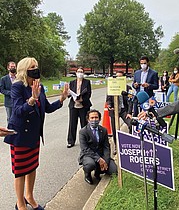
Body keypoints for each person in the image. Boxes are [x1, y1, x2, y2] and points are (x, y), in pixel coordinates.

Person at [4, 57, 68, 210]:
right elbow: (18, 111)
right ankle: (20, 204)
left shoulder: (40, 86)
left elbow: (46, 108)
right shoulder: (17, 87)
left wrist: (61, 99)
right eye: (32, 66)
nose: (36, 68)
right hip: (19, 135)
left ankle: (29, 196)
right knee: (20, 172)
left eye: (37, 66)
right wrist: (32, 99)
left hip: (33, 136)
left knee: (32, 168)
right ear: (25, 69)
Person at [78, 109, 117, 185]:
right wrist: (99, 159)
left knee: (114, 171)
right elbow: (85, 149)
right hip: (89, 155)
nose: (94, 120)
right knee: (90, 165)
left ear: (99, 119)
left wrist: (105, 160)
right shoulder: (83, 132)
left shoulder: (103, 130)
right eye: (92, 118)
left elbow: (106, 146)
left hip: (101, 154)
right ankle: (87, 174)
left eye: (96, 117)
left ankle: (98, 172)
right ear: (88, 119)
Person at [106, 71, 133, 155]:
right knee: (115, 129)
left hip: (124, 110)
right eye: (117, 77)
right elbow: (108, 99)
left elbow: (131, 101)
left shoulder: (128, 88)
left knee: (131, 124)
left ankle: (131, 144)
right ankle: (117, 147)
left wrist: (129, 112)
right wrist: (110, 105)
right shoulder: (111, 87)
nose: (118, 79)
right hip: (114, 110)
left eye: (120, 77)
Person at [67, 66, 92, 148]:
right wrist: (68, 93)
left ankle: (86, 141)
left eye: (81, 71)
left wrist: (82, 99)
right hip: (74, 105)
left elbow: (88, 94)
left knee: (84, 124)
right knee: (72, 123)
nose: (80, 73)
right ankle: (71, 141)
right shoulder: (72, 82)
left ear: (83, 73)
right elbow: (69, 93)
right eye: (78, 71)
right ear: (76, 73)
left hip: (83, 105)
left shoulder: (87, 82)